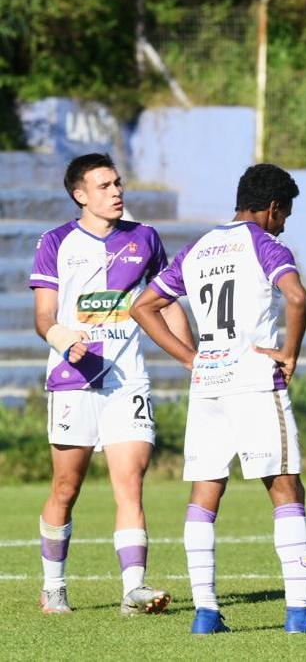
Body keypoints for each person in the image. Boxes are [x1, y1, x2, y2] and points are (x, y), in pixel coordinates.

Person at [130, 164, 306, 635]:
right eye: (284, 215)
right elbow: (297, 297)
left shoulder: (198, 247)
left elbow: (142, 307)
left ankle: (205, 613)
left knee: (204, 494)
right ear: (273, 208)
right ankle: (299, 611)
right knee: (286, 488)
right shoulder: (265, 244)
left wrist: (190, 358)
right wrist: (290, 354)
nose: (283, 226)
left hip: (209, 382)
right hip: (253, 380)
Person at [29, 153, 192, 616]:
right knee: (66, 487)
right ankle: (54, 587)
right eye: (104, 185)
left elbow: (165, 302)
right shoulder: (55, 242)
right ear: (80, 195)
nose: (116, 191)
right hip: (73, 382)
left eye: (118, 183)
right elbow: (43, 316)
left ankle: (133, 590)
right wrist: (64, 339)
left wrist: (192, 358)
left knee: (130, 483)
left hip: (127, 382)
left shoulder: (145, 238)